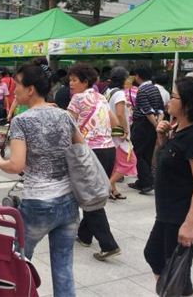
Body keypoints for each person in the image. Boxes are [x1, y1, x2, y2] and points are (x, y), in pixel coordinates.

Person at [0, 64, 79, 297]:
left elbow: (16, 165)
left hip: (38, 203)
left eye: (17, 84)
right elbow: (82, 150)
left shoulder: (22, 121)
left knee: (15, 260)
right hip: (69, 201)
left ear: (30, 89)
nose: (14, 88)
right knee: (63, 267)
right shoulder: (64, 115)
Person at [144, 77, 193, 297]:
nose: (169, 101)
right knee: (155, 255)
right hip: (168, 212)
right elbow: (161, 163)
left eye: (174, 96)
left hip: (183, 216)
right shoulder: (178, 130)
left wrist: (190, 224)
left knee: (176, 270)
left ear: (188, 104)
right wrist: (161, 137)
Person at [67, 63, 121, 261]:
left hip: (89, 152)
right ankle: (84, 235)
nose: (71, 84)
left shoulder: (77, 99)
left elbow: (68, 127)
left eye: (74, 80)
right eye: (70, 80)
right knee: (94, 193)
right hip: (108, 150)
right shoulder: (101, 97)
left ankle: (108, 244)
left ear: (85, 81)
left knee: (90, 198)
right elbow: (115, 123)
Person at [128, 66, 164, 195]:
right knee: (147, 153)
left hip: (142, 125)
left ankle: (147, 182)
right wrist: (158, 124)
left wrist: (156, 125)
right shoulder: (155, 89)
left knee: (137, 153)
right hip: (151, 125)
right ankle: (142, 181)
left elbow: (147, 111)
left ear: (138, 76)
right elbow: (160, 109)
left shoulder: (142, 90)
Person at [104, 67, 136, 199]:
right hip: (119, 133)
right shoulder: (120, 94)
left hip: (110, 131)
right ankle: (107, 185)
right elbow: (120, 114)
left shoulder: (108, 91)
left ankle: (113, 189)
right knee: (130, 161)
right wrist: (125, 129)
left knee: (116, 163)